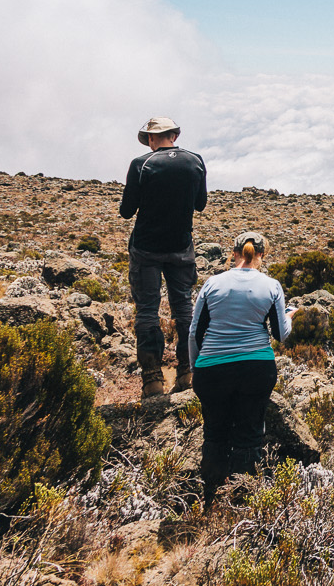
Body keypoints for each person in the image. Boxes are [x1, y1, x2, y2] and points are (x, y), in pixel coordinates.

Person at [189, 230, 294, 505]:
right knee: (249, 436)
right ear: (261, 255)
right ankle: (241, 502)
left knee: (214, 433)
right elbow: (280, 334)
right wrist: (289, 317)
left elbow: (194, 333)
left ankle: (211, 499)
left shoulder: (212, 284)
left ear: (234, 253)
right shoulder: (271, 286)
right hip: (255, 370)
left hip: (211, 371)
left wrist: (196, 369)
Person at [119, 116, 208, 398]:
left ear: (152, 139)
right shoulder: (195, 161)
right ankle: (187, 372)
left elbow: (126, 210)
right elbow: (201, 204)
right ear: (174, 136)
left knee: (147, 311)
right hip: (181, 247)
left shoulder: (141, 164)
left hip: (146, 248)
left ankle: (152, 380)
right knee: (184, 310)